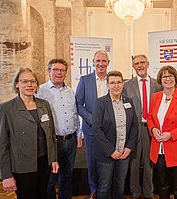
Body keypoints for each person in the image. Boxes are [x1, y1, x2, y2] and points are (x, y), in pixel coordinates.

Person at [0, 67, 59, 199]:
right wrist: (6, 175)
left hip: (44, 163)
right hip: (22, 166)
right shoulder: (6, 109)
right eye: (24, 81)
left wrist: (53, 159)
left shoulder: (44, 105)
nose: (29, 85)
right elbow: (1, 146)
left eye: (33, 81)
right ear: (17, 84)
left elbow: (50, 135)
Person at [36, 59, 83, 199]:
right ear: (49, 71)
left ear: (66, 73)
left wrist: (78, 134)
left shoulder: (70, 91)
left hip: (70, 140)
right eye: (55, 69)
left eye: (62, 70)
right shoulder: (41, 91)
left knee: (66, 177)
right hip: (52, 143)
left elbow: (74, 113)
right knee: (50, 179)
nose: (59, 73)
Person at [147, 65, 177, 199]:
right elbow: (150, 118)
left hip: (176, 148)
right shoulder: (155, 97)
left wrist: (170, 134)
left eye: (170, 76)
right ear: (160, 80)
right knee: (162, 185)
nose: (167, 79)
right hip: (159, 149)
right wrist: (153, 129)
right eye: (164, 76)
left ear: (176, 78)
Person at [92, 71, 138, 199]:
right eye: (112, 83)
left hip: (124, 152)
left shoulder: (129, 102)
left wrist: (129, 147)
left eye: (118, 82)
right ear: (107, 85)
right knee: (104, 185)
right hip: (107, 153)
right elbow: (97, 129)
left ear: (123, 84)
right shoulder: (100, 103)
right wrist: (110, 151)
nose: (116, 85)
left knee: (120, 184)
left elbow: (134, 126)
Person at [123, 54, 162, 199]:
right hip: (134, 129)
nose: (139, 65)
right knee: (133, 163)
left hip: (151, 129)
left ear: (148, 64)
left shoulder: (157, 86)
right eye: (136, 63)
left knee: (149, 163)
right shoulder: (127, 86)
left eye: (142, 63)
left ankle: (149, 192)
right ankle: (135, 192)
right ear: (133, 67)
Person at [76, 50, 109, 198]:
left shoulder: (113, 79)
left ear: (108, 62)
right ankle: (94, 190)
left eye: (104, 61)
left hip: (110, 129)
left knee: (109, 160)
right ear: (93, 62)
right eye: (98, 61)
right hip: (90, 129)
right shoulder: (84, 80)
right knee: (92, 161)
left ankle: (106, 189)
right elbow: (78, 104)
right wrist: (92, 119)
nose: (101, 64)